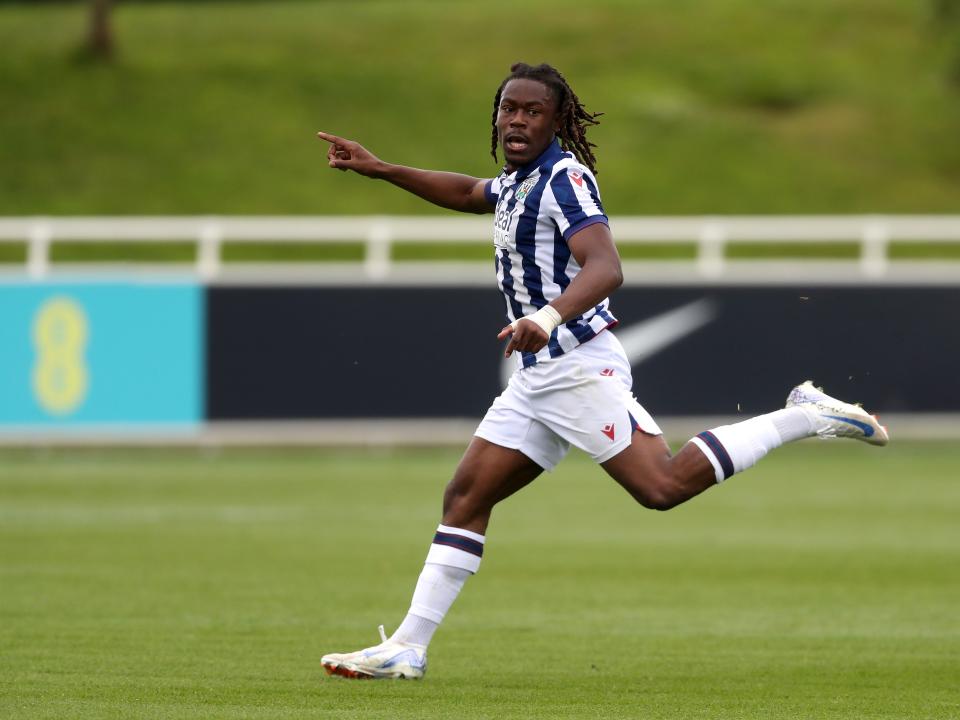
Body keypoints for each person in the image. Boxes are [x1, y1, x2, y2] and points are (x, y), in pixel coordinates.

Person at [316, 62, 888, 680]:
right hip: (538, 376)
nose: (516, 119)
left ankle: (804, 414)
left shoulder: (565, 179)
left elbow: (606, 266)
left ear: (557, 119)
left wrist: (550, 315)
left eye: (532, 110)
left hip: (576, 365)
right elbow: (465, 193)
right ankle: (408, 647)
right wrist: (381, 169)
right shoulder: (517, 184)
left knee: (661, 487)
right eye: (508, 108)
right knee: (465, 497)